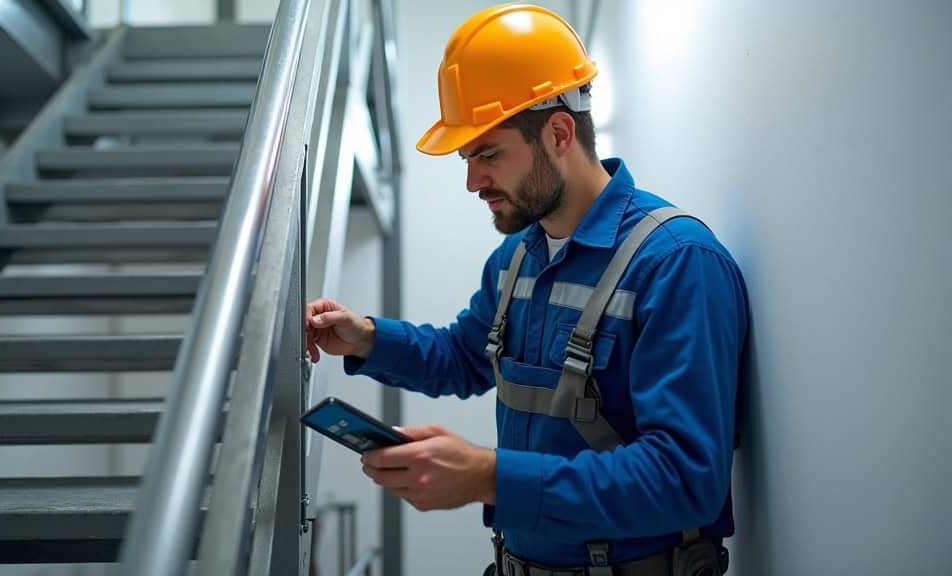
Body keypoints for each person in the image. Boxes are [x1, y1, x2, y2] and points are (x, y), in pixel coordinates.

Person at [305, 3, 749, 574]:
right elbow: (464, 357)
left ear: (560, 133)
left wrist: (488, 476)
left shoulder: (678, 264)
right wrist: (365, 337)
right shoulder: (517, 257)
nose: (472, 182)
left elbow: (686, 479)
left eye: (488, 153)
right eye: (468, 158)